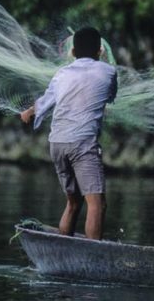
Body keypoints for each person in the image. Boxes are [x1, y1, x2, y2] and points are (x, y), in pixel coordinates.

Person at [20, 26, 118, 240]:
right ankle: (93, 259)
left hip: (57, 144)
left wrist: (28, 112)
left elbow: (43, 104)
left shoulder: (62, 73)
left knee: (73, 202)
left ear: (72, 53)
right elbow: (110, 96)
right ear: (100, 51)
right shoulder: (109, 72)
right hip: (82, 143)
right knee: (97, 205)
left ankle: (65, 252)